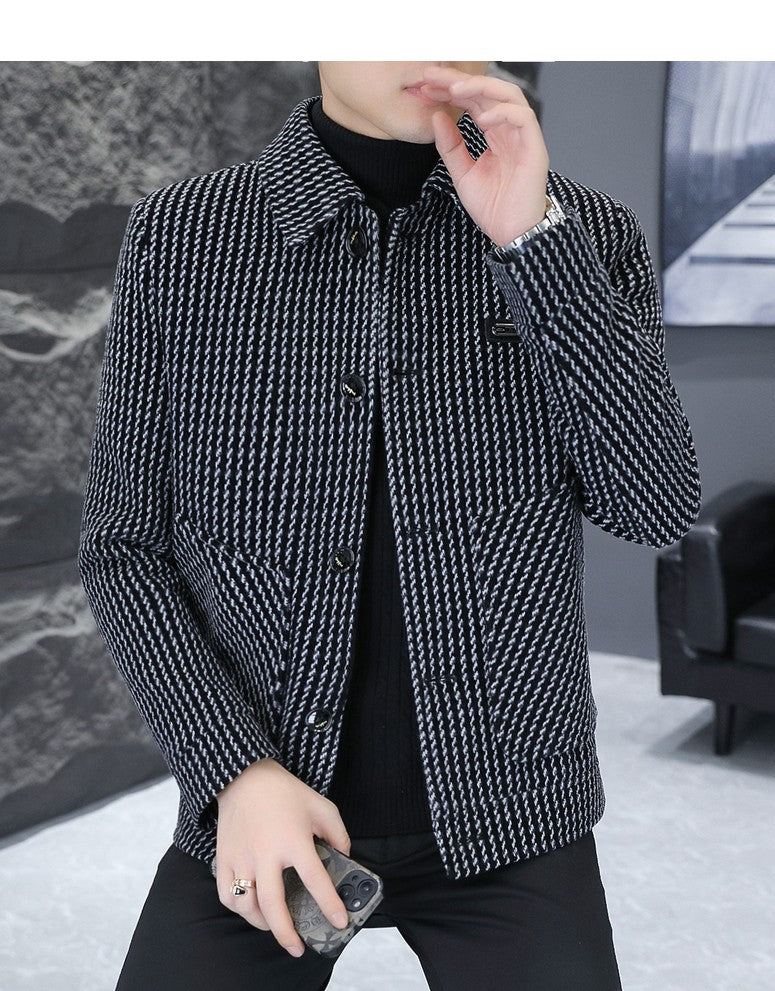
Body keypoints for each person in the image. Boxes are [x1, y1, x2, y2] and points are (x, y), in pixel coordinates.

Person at [78, 60, 701, 990]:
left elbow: (654, 503)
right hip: (266, 800)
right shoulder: (185, 233)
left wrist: (534, 245)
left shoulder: (585, 231)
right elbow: (122, 546)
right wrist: (234, 772)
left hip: (515, 813)